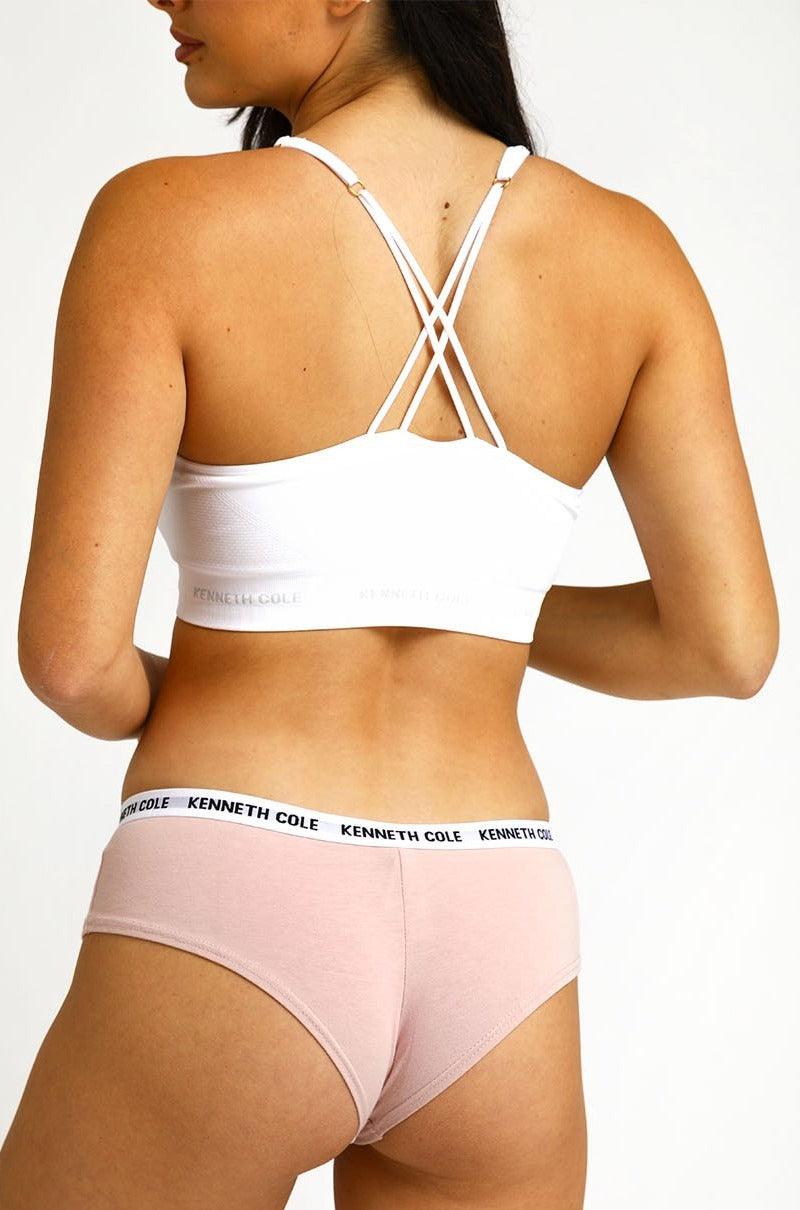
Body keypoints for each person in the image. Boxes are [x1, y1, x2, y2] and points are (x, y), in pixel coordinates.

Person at [2, 1, 779, 1207]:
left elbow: (69, 659)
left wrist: (211, 684)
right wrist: (474, 602)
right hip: (501, 932)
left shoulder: (164, 221)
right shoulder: (630, 255)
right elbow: (724, 645)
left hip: (235, 884)